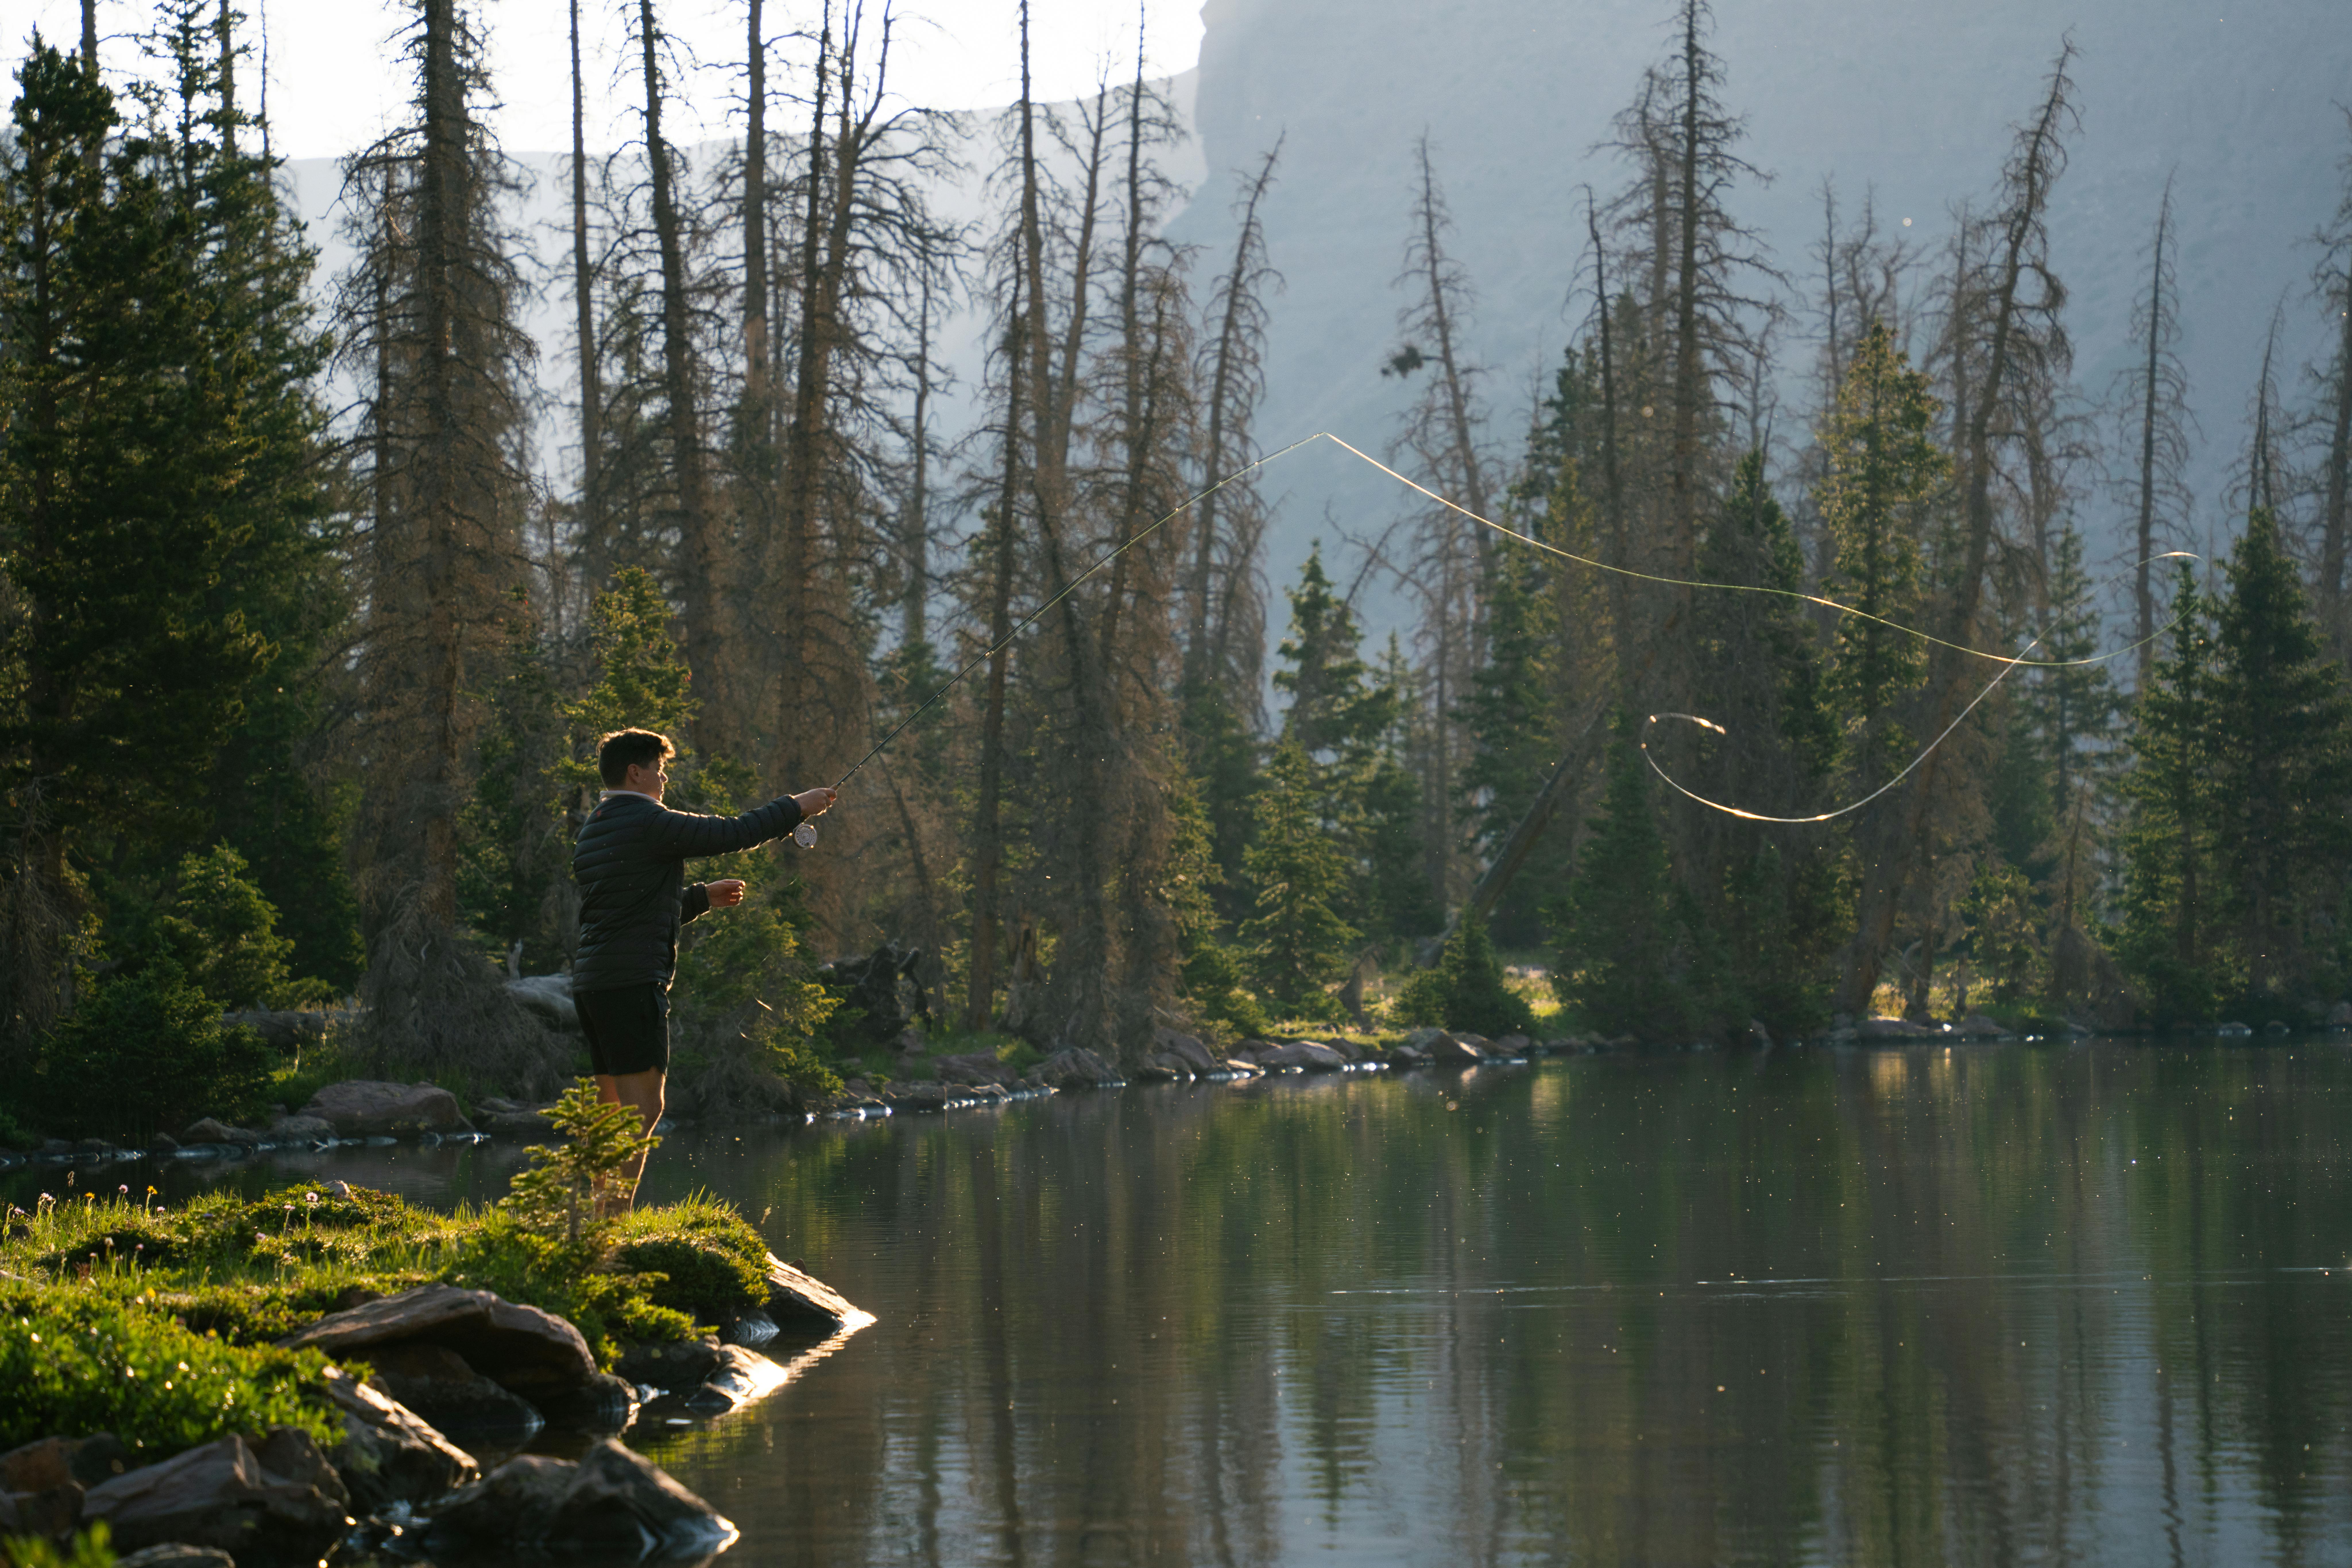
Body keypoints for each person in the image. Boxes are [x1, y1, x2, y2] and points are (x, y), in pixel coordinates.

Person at [571, 727, 836, 1210]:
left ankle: (596, 1216)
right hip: (632, 983)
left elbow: (625, 907)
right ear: (636, 772)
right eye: (658, 767)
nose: (664, 776)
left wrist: (700, 898)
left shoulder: (597, 824)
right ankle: (611, 1221)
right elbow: (732, 831)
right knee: (646, 1107)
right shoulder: (647, 818)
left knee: (611, 1114)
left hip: (594, 985)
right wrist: (797, 807)